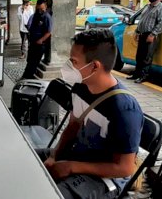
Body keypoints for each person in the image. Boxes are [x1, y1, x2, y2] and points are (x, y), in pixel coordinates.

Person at [37, 29, 144, 199]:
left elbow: (125, 168)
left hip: (104, 179)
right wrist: (54, 155)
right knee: (24, 157)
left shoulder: (124, 109)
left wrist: (71, 167)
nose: (69, 66)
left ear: (94, 66)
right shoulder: (81, 86)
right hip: (76, 156)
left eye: (73, 61)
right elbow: (73, 126)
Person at [126, 0, 162, 83]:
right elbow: (141, 20)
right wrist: (137, 31)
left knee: (147, 57)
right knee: (139, 56)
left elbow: (161, 23)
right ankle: (136, 74)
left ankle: (144, 76)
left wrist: (153, 34)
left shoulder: (161, 8)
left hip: (151, 35)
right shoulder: (147, 6)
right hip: (142, 34)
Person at [21, 0, 52, 79]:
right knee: (29, 60)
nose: (40, 10)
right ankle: (25, 76)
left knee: (34, 62)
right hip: (32, 42)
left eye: (42, 9)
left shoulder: (47, 17)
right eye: (38, 8)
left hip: (40, 44)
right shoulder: (35, 16)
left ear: (45, 7)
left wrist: (41, 40)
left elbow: (48, 32)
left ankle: (28, 78)